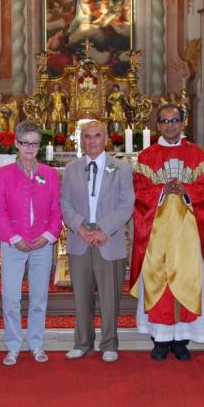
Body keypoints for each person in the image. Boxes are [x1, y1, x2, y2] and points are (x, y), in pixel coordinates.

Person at [130, 104, 204, 361]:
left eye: (175, 120)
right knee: (158, 280)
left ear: (183, 123)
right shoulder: (146, 157)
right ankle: (159, 339)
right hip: (156, 234)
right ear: (158, 125)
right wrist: (161, 191)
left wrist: (186, 190)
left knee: (187, 279)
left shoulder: (198, 156)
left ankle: (181, 340)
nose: (170, 125)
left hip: (188, 234)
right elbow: (138, 191)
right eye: (165, 121)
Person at [61, 121, 135, 363]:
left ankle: (110, 343)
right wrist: (81, 228)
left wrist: (103, 229)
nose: (92, 141)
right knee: (81, 295)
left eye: (97, 136)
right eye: (87, 136)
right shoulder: (71, 168)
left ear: (105, 139)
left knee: (110, 295)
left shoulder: (121, 168)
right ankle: (82, 342)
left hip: (109, 238)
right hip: (79, 237)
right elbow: (65, 204)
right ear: (81, 140)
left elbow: (126, 204)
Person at [0, 121, 62, 366]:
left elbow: (56, 210)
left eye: (34, 143)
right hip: (13, 244)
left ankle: (36, 344)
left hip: (42, 243)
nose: (30, 148)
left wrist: (48, 236)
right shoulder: (4, 174)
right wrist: (15, 237)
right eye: (25, 143)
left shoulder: (49, 174)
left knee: (39, 297)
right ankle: (13, 345)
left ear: (40, 145)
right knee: (11, 297)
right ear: (17, 144)